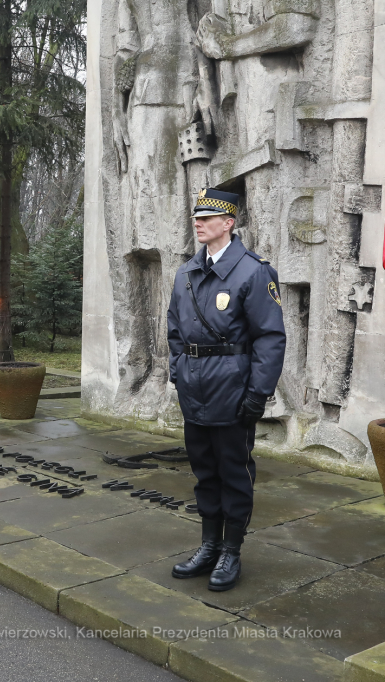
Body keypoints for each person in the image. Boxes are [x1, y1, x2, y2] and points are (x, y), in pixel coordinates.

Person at [166, 189, 286, 592]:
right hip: (194, 390)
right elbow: (174, 331)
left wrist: (258, 393)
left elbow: (270, 338)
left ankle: (231, 551)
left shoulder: (253, 272)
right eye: (196, 217)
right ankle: (209, 546)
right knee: (204, 472)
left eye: (207, 217)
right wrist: (177, 371)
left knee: (234, 473)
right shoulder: (185, 273)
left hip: (233, 391)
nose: (197, 222)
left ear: (229, 223)